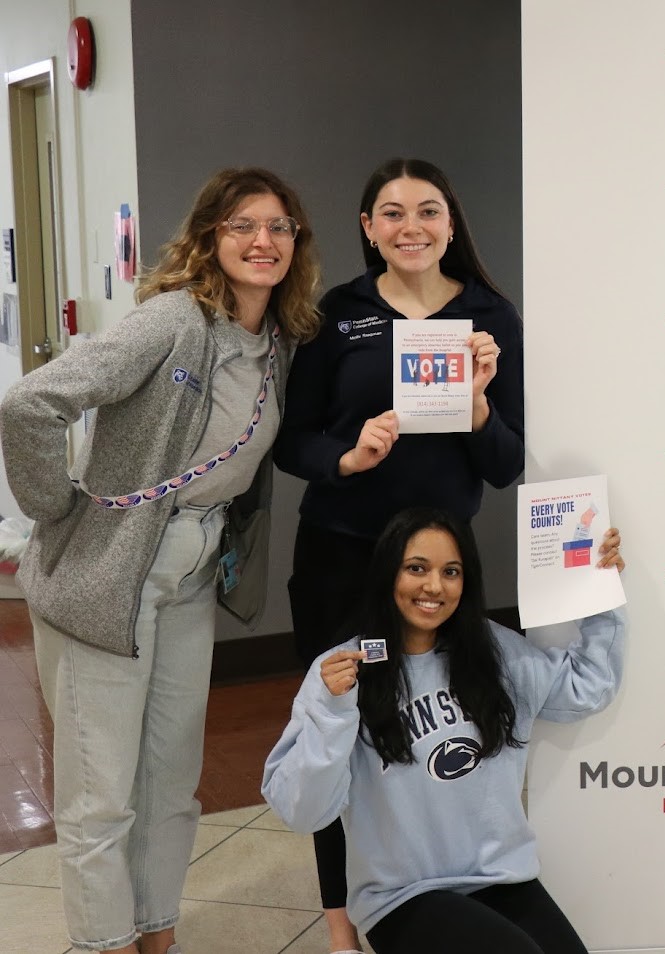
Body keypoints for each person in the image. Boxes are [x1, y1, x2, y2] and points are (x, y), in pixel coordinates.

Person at [0, 167, 322, 954]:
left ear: (297, 245)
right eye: (243, 224)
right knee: (100, 797)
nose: (262, 241)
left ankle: (156, 938)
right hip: (108, 576)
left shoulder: (277, 341)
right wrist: (56, 510)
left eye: (279, 227)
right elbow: (28, 403)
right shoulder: (174, 321)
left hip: (190, 573)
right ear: (211, 235)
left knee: (170, 786)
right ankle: (103, 943)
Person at [273, 157, 526, 951]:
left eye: (426, 211)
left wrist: (480, 403)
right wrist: (347, 458)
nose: (409, 227)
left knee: (425, 729)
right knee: (338, 727)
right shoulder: (337, 314)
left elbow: (505, 463)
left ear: (451, 223)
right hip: (342, 559)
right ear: (367, 228)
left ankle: (433, 888)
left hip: (437, 574)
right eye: (390, 213)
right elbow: (294, 441)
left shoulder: (490, 317)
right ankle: (344, 920)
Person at [261, 506, 626, 954]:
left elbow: (588, 688)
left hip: (500, 877)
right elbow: (303, 811)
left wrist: (599, 593)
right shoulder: (343, 670)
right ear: (387, 574)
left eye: (450, 572)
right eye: (417, 569)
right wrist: (335, 713)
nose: (434, 586)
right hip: (404, 897)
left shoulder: (497, 654)